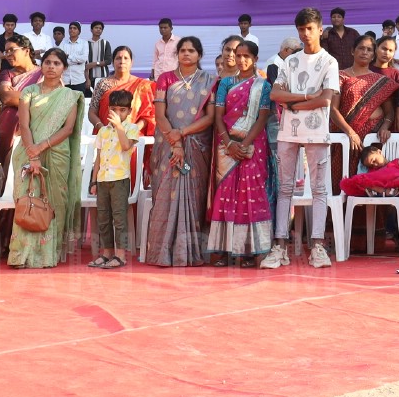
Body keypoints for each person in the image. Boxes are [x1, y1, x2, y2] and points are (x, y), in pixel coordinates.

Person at [270, 8, 340, 270]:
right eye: (301, 29)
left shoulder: (330, 62)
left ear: (320, 29)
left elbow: (326, 99)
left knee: (319, 189)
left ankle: (318, 246)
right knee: (285, 188)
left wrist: (296, 102)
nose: (305, 33)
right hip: (288, 131)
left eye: (310, 28)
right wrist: (309, 97)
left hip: (316, 131)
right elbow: (276, 95)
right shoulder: (290, 62)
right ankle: (279, 246)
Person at [7, 49, 86, 269]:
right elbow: (24, 124)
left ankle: (48, 254)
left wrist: (41, 148)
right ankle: (21, 255)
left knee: (53, 201)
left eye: (57, 63)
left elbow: (68, 128)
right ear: (41, 66)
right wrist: (33, 152)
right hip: (27, 150)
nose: (51, 67)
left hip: (57, 153)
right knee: (27, 199)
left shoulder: (70, 96)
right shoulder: (29, 91)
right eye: (48, 62)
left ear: (64, 68)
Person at [147, 37, 215, 267]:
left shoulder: (208, 80)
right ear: (177, 54)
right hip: (168, 145)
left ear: (199, 54)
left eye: (191, 51)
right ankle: (162, 253)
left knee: (194, 195)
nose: (187, 54)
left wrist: (183, 133)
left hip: (196, 145)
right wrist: (175, 141)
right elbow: (159, 115)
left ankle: (190, 251)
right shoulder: (165, 78)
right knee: (166, 193)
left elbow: (211, 116)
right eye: (183, 50)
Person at [207, 40, 275, 265]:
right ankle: (225, 250)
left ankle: (250, 250)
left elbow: (262, 118)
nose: (242, 60)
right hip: (227, 146)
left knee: (249, 195)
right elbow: (218, 116)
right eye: (239, 55)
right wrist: (229, 144)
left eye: (247, 56)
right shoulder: (225, 83)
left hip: (252, 146)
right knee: (226, 193)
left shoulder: (263, 86)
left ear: (255, 59)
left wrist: (244, 144)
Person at [86, 89, 142, 270]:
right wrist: (93, 181)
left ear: (129, 111)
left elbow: (126, 146)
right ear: (109, 109)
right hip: (103, 180)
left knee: (119, 217)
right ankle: (107, 253)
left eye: (122, 110)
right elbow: (98, 158)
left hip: (120, 179)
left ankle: (121, 255)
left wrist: (119, 126)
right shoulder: (102, 131)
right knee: (103, 217)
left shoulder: (132, 129)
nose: (118, 113)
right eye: (115, 109)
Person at [93, 46, 157, 187]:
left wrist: (132, 129)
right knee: (104, 176)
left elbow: (149, 114)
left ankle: (130, 207)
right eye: (118, 58)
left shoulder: (144, 85)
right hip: (107, 136)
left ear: (131, 62)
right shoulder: (103, 84)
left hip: (131, 139)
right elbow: (92, 111)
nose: (122, 61)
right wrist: (101, 128)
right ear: (113, 62)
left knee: (130, 177)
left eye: (126, 58)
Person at [0, 36, 39, 167]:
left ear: (26, 50)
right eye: (6, 51)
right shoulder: (7, 74)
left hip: (36, 129)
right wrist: (35, 97)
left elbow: (51, 101)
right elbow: (6, 97)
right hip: (9, 130)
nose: (7, 55)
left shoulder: (43, 73)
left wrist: (18, 95)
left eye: (11, 50)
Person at [83, 20, 112, 93]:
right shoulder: (85, 44)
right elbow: (85, 64)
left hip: (103, 77)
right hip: (89, 78)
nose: (98, 30)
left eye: (100, 28)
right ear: (91, 30)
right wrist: (87, 79)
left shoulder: (105, 43)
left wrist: (95, 63)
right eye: (96, 28)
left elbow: (108, 61)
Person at [59, 22, 88, 92]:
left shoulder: (84, 43)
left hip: (79, 80)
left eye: (75, 28)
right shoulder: (63, 43)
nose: (72, 30)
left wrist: (68, 56)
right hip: (65, 80)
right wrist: (77, 62)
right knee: (65, 102)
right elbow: (61, 59)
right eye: (70, 28)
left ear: (79, 31)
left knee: (79, 102)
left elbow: (84, 58)